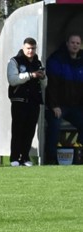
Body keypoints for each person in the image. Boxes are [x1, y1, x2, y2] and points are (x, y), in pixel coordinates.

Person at [44, 34, 83, 165]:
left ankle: (80, 155)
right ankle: (51, 158)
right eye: (73, 42)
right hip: (58, 105)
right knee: (54, 125)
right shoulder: (56, 60)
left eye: (78, 43)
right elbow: (52, 85)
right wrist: (54, 105)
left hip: (75, 106)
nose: (75, 45)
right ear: (67, 43)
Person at [7, 37, 46, 167]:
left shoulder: (38, 62)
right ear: (23, 48)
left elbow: (44, 85)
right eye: (28, 48)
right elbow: (13, 80)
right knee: (18, 130)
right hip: (19, 100)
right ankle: (14, 157)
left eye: (33, 48)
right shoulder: (15, 61)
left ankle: (25, 157)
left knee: (30, 131)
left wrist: (43, 77)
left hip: (34, 101)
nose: (30, 51)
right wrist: (31, 75)